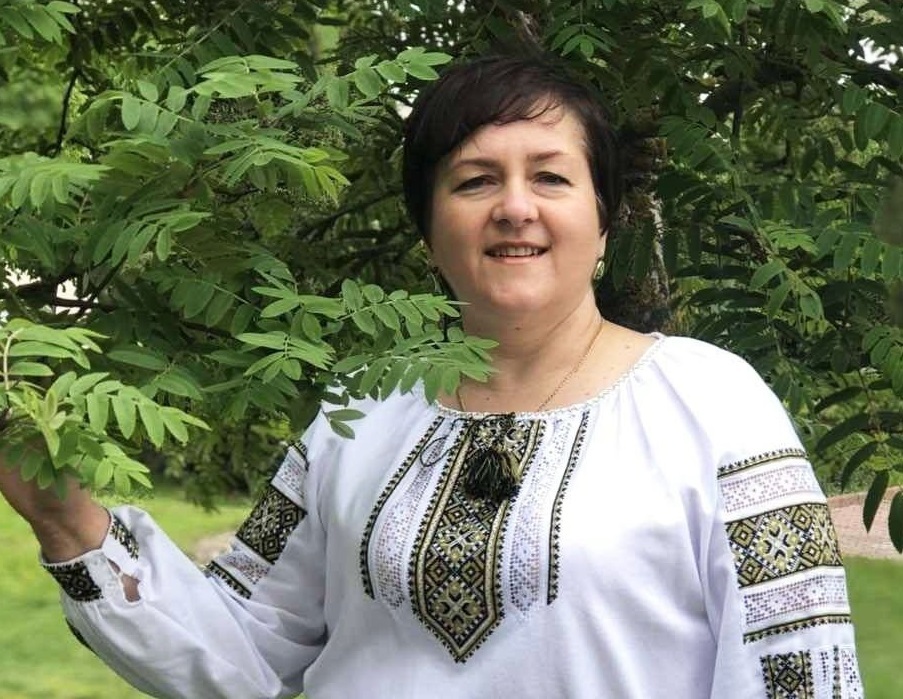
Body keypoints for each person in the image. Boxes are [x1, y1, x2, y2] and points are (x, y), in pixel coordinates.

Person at [0, 54, 862, 699]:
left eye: (550, 177)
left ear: (603, 223)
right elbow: (242, 650)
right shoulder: (361, 408)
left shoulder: (713, 405)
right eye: (475, 181)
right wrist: (66, 518)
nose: (514, 206)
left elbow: (798, 673)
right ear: (428, 232)